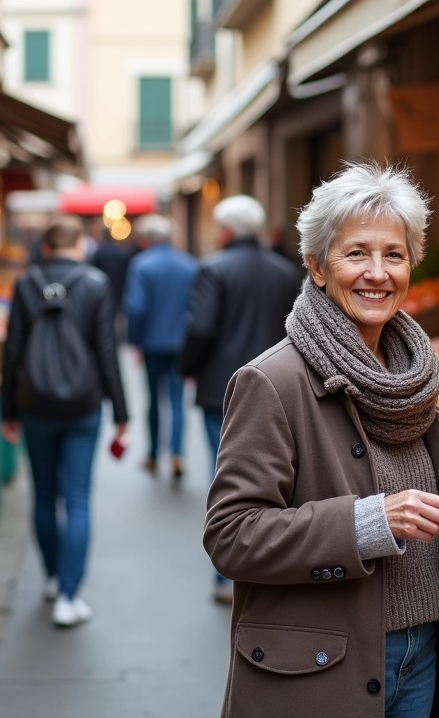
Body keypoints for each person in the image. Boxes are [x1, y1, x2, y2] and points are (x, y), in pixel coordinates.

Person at [203, 161, 439, 717]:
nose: (377, 272)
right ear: (317, 266)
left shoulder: (409, 373)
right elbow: (229, 535)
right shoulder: (272, 381)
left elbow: (395, 480)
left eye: (394, 254)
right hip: (324, 661)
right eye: (356, 253)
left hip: (426, 651)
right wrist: (367, 522)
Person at [0, 215, 129, 628]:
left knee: (43, 495)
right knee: (76, 498)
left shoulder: (25, 283)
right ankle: (70, 598)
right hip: (82, 406)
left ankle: (53, 579)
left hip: (35, 405)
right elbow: (106, 353)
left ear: (47, 245)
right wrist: (121, 413)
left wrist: (8, 409)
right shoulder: (94, 283)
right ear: (77, 244)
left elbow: (12, 350)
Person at [180, 194, 299, 602]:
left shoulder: (212, 268)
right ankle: (271, 568)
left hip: (221, 388)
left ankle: (229, 575)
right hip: (281, 388)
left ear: (227, 230)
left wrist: (187, 368)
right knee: (279, 478)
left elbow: (200, 328)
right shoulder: (285, 272)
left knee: (229, 479)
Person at [123, 214, 197, 482]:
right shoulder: (189, 265)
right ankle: (177, 455)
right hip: (181, 344)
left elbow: (136, 307)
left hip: (153, 344)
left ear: (147, 239)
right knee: (178, 402)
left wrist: (135, 341)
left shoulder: (142, 265)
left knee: (153, 400)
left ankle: (154, 454)